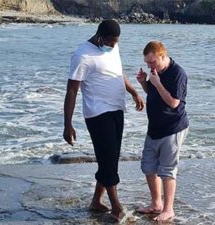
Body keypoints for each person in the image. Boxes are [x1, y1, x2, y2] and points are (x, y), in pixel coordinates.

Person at [63, 19, 144, 222]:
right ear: (100, 36)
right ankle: (116, 207)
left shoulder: (113, 47)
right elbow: (72, 90)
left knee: (111, 158)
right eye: (110, 42)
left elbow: (118, 71)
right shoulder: (82, 55)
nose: (113, 45)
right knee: (108, 158)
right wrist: (67, 124)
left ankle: (96, 201)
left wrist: (133, 91)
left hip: (117, 109)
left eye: (116, 42)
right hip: (98, 114)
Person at [136, 41, 189, 222]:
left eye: (152, 62)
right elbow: (153, 93)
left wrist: (157, 83)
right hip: (154, 128)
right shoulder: (154, 72)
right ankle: (156, 203)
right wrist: (145, 83)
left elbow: (174, 103)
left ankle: (168, 209)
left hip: (173, 127)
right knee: (148, 166)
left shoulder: (177, 73)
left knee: (167, 169)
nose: (150, 66)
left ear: (162, 56)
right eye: (148, 63)